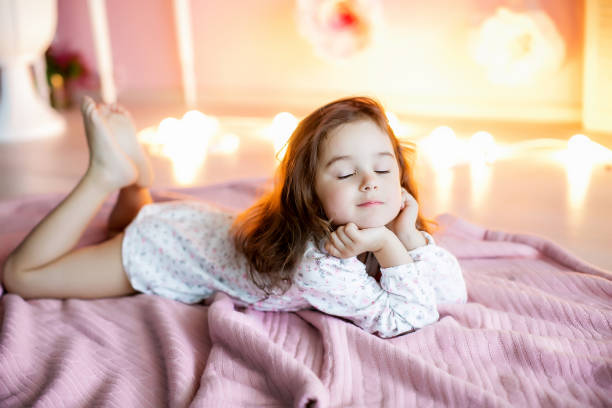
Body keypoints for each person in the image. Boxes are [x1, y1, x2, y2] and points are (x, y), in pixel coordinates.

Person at [2, 96, 467, 338]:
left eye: (383, 168)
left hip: (186, 223)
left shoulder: (375, 223)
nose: (370, 181)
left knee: (128, 222)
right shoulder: (320, 264)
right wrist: (389, 247)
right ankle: (104, 177)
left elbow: (451, 291)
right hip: (161, 254)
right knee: (22, 275)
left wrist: (408, 236)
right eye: (346, 173)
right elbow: (410, 316)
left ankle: (133, 182)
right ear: (311, 197)